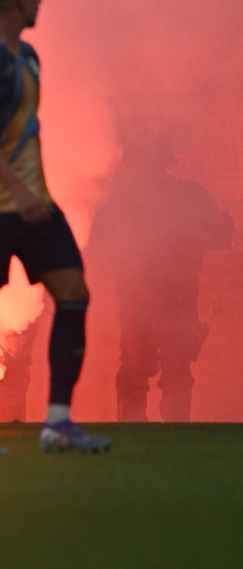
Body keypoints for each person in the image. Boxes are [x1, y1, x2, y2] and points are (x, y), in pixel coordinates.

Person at [0, 0, 110, 454]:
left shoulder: (31, 58)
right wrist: (17, 187)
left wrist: (32, 190)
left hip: (35, 203)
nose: (40, 1)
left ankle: (57, 423)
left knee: (74, 290)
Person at [88, 135, 233, 421]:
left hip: (140, 300)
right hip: (174, 299)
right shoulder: (192, 196)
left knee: (135, 372)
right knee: (174, 372)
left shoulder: (117, 201)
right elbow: (219, 238)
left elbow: (94, 243)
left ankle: (132, 435)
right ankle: (176, 435)